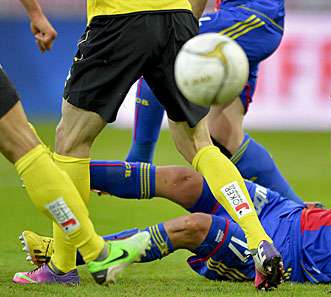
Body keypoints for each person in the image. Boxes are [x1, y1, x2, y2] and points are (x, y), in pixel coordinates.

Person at [20, 94, 331, 286]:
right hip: (287, 213)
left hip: (286, 258)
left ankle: (76, 258)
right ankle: (61, 168)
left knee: (197, 226)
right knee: (187, 180)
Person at [42, 0, 282, 290]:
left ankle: (63, 265)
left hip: (119, 18)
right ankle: (258, 238)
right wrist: (185, 25)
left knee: (70, 141)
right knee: (199, 143)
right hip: (177, 17)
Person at [5, 0, 151, 286]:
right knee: (29, 149)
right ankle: (98, 253)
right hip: (172, 20)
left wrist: (35, 13)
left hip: (120, 21)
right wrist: (35, 13)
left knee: (46, 145)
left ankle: (83, 258)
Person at [125, 0, 304, 205]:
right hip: (250, 19)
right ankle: (299, 210)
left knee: (162, 48)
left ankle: (139, 161)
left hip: (252, 16)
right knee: (223, 133)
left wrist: (183, 26)